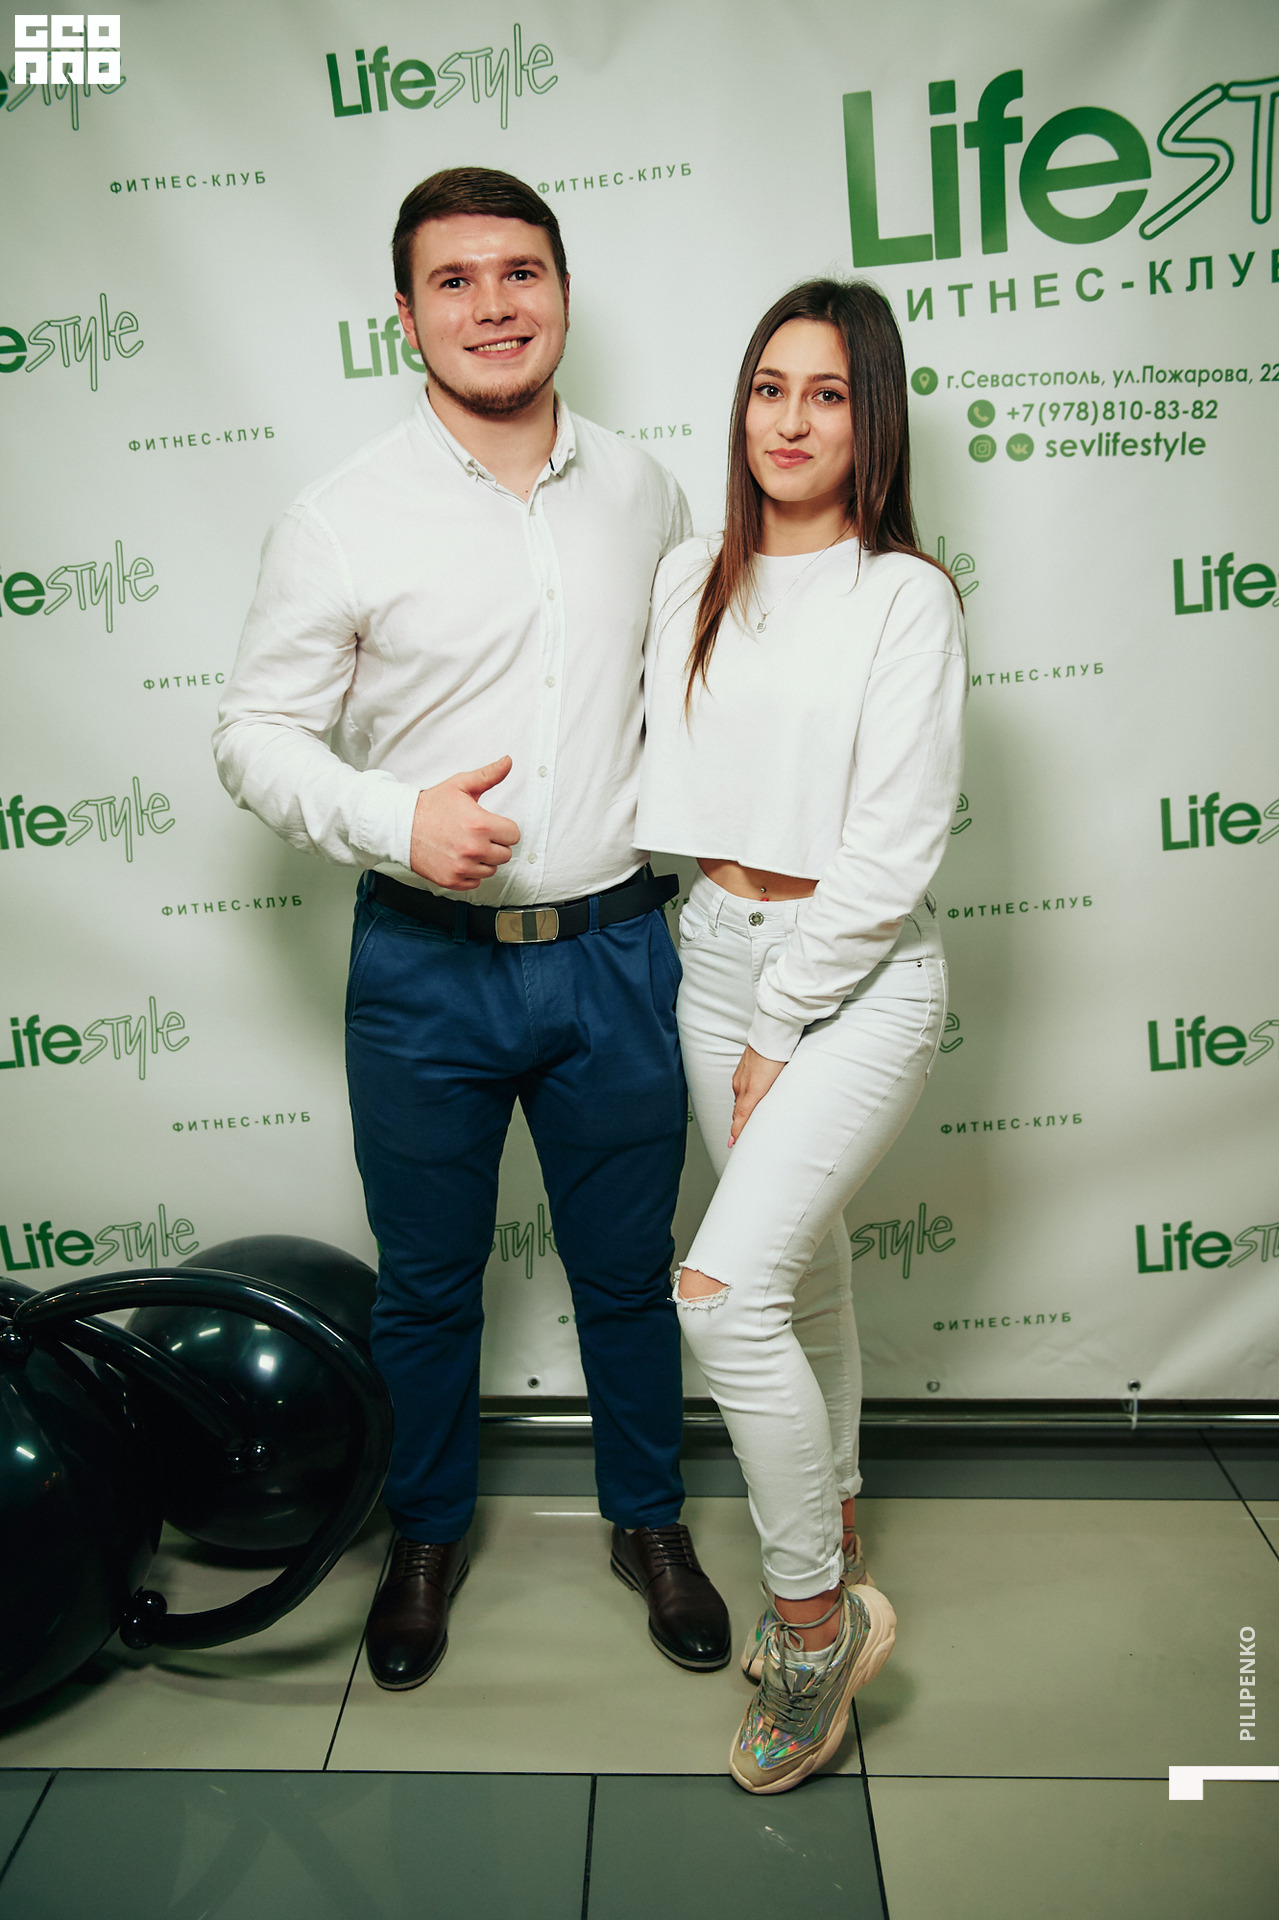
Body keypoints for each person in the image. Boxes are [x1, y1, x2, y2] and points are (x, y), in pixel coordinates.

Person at [213, 167, 731, 1691]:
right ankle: (426, 1534)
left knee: (629, 1276)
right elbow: (253, 735)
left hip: (620, 955)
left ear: (563, 292)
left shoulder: (649, 491)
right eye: (455, 280)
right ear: (405, 312)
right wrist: (398, 819)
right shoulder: (340, 516)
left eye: (520, 273)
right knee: (430, 1286)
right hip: (426, 967)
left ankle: (648, 1521)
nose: (493, 306)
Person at [636, 279, 965, 1791]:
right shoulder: (690, 576)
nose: (790, 419)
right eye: (769, 387)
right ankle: (830, 1507)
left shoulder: (905, 597)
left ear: (869, 417)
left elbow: (891, 854)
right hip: (712, 953)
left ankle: (816, 1623)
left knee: (720, 1298)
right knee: (800, 1269)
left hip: (855, 976)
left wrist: (780, 1020)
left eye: (826, 393)